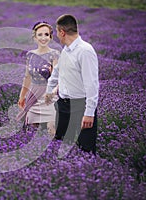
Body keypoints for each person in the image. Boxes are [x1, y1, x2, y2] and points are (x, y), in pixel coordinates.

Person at [45, 14, 99, 154]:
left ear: (62, 32)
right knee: (59, 146)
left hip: (81, 107)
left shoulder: (85, 51)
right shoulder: (66, 51)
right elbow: (56, 74)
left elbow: (92, 84)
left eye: (57, 32)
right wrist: (49, 92)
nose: (56, 35)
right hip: (63, 106)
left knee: (85, 149)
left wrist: (89, 113)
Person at [16, 21, 60, 135]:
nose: (43, 38)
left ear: (50, 37)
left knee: (52, 129)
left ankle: (54, 151)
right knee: (30, 130)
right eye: (40, 35)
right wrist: (22, 97)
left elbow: (57, 77)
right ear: (35, 37)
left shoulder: (54, 54)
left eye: (46, 34)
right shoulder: (30, 54)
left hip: (49, 97)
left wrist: (52, 92)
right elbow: (27, 77)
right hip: (33, 95)